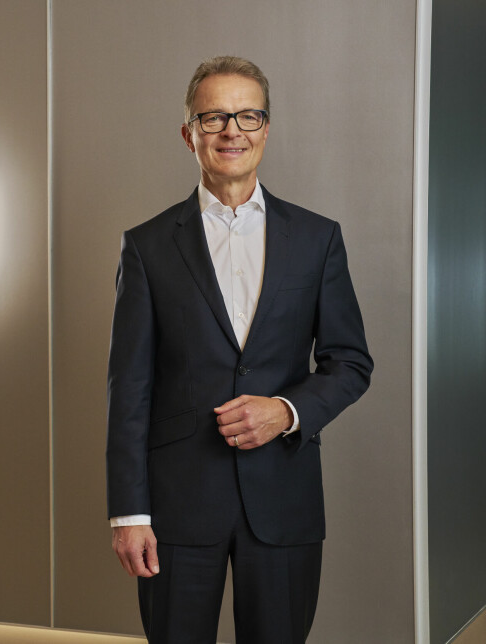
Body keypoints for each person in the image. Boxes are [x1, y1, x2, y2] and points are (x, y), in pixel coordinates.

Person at [106, 56, 373, 644]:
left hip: (284, 498)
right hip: (177, 508)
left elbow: (351, 362)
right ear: (190, 134)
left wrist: (287, 410)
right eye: (215, 117)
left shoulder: (317, 237)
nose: (233, 131)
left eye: (248, 115)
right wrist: (130, 514)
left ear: (266, 128)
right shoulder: (146, 246)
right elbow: (129, 387)